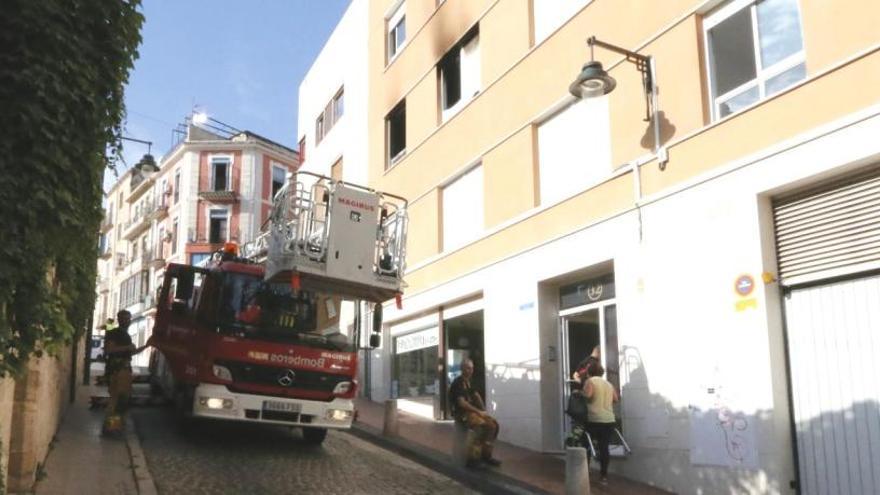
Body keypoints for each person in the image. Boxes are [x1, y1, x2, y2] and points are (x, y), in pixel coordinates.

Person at [102, 310, 152, 434]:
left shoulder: (124, 334)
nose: (127, 321)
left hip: (124, 369)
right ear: (119, 319)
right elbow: (109, 350)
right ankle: (111, 428)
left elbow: (130, 353)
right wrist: (127, 347)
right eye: (124, 318)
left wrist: (145, 346)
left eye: (128, 318)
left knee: (122, 400)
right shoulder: (115, 333)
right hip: (117, 370)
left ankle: (115, 427)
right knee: (117, 400)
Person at [448, 358, 502, 468]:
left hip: (472, 413)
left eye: (472, 368)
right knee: (481, 427)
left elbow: (476, 395)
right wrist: (479, 412)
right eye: (468, 368)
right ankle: (472, 458)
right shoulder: (458, 383)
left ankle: (486, 455)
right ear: (462, 368)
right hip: (462, 414)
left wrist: (484, 411)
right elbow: (462, 403)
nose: (470, 371)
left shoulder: (469, 382)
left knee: (493, 425)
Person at [584, 360, 619, 484]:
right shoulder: (608, 384)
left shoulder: (590, 381)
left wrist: (579, 394)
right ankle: (603, 476)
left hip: (595, 419)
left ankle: (585, 471)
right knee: (604, 447)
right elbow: (616, 399)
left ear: (589, 372)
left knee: (586, 443)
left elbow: (588, 396)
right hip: (609, 420)